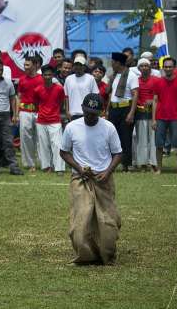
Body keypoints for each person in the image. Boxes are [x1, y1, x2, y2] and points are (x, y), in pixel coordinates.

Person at [60, 93, 122, 265]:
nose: (90, 116)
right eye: (87, 112)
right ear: (82, 108)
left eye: (94, 114)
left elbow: (118, 153)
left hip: (103, 179)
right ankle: (86, 256)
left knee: (108, 223)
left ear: (101, 111)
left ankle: (107, 255)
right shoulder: (72, 127)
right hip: (81, 179)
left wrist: (108, 172)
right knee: (79, 224)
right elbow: (64, 152)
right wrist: (79, 168)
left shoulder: (109, 127)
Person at [107, 52, 139, 172]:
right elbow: (110, 93)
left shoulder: (131, 75)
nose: (111, 64)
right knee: (111, 136)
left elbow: (135, 94)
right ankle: (111, 163)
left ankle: (126, 164)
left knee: (125, 137)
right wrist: (107, 110)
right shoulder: (114, 75)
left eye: (113, 62)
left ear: (119, 63)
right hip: (114, 109)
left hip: (126, 108)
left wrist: (131, 113)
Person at [152, 57, 177, 175]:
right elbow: (154, 100)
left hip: (176, 117)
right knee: (159, 144)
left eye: (170, 66)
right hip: (160, 117)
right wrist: (153, 119)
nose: (168, 68)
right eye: (166, 66)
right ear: (163, 68)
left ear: (174, 68)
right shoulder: (158, 82)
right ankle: (159, 169)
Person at [34, 66, 66, 175]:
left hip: (55, 120)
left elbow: (62, 102)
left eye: (49, 75)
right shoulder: (37, 89)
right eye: (45, 75)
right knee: (43, 145)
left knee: (57, 144)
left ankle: (59, 168)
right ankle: (46, 166)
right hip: (41, 121)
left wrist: (56, 112)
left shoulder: (59, 88)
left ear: (53, 76)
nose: (47, 77)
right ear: (42, 76)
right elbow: (36, 104)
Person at [17, 56, 43, 172]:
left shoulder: (42, 79)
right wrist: (17, 114)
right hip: (25, 112)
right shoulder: (22, 79)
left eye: (28, 65)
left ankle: (44, 163)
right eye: (25, 65)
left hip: (39, 112)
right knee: (25, 138)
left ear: (35, 65)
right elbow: (19, 97)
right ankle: (29, 163)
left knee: (40, 138)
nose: (25, 67)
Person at [133, 58, 157, 172]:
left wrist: (152, 101)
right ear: (138, 68)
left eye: (146, 65)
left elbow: (160, 96)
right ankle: (142, 163)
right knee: (141, 139)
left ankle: (153, 163)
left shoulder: (156, 80)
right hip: (140, 113)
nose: (144, 68)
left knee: (153, 140)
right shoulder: (135, 81)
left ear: (150, 67)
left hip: (153, 113)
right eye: (141, 66)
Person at [64, 56, 98, 121]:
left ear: (84, 67)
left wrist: (92, 112)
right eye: (76, 65)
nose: (78, 67)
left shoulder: (90, 78)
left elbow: (95, 96)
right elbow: (66, 97)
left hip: (87, 113)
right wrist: (67, 111)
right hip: (72, 114)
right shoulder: (68, 79)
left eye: (80, 65)